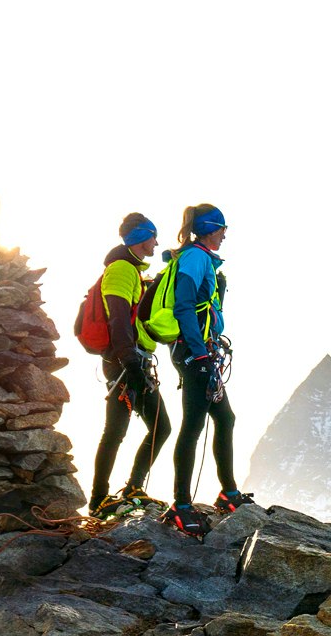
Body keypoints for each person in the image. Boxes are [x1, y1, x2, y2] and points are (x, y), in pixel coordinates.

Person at [163, 203, 250, 528]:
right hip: (194, 354)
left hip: (200, 352)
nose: (225, 235)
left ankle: (228, 492)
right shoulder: (195, 258)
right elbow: (184, 306)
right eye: (223, 229)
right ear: (213, 229)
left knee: (224, 418)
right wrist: (199, 354)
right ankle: (182, 505)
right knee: (193, 426)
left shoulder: (197, 257)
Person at [89, 212, 171, 514]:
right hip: (125, 362)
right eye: (153, 236)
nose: (156, 242)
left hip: (132, 360)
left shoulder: (130, 271)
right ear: (141, 237)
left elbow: (131, 316)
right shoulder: (122, 270)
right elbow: (118, 317)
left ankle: (133, 487)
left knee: (158, 427)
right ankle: (99, 500)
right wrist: (130, 362)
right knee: (117, 430)